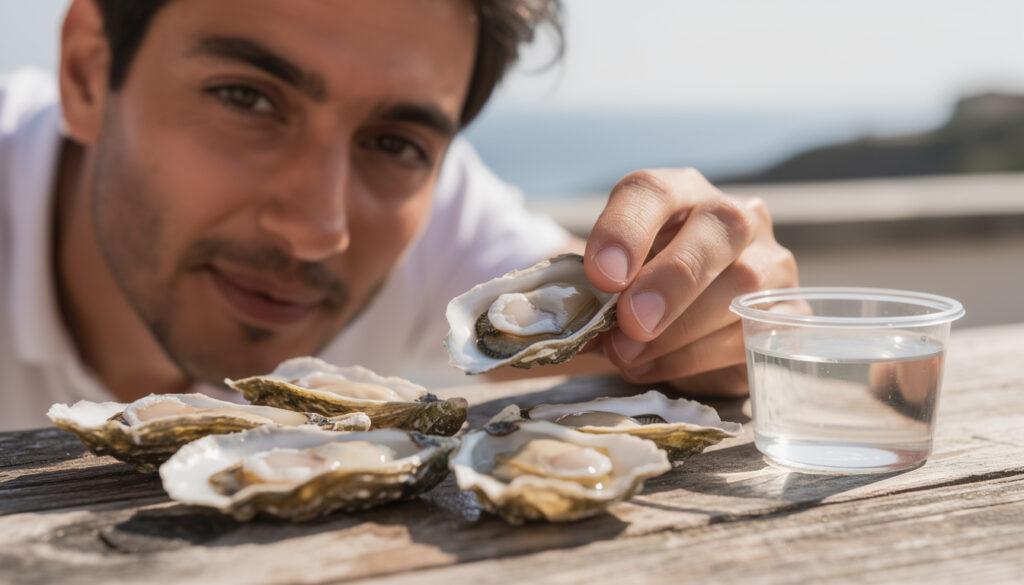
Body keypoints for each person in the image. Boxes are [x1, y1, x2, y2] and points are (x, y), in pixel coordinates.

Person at [0, 0, 798, 431]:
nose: (319, 226)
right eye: (246, 97)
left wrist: (715, 308)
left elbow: (656, 329)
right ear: (87, 72)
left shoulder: (435, 215)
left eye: (394, 141)